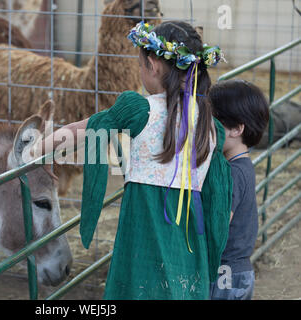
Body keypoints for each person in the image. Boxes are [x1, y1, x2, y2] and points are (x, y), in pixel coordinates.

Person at [34, 20, 232, 299]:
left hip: (144, 231)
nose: (140, 71)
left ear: (152, 65)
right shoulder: (211, 124)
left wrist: (38, 148)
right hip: (188, 241)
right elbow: (218, 198)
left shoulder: (140, 109)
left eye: (140, 66)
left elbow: (84, 129)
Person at [208, 79, 270, 300]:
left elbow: (219, 225)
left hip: (225, 274)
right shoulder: (243, 166)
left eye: (213, 123)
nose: (207, 129)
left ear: (236, 129)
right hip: (238, 271)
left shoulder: (232, 173)